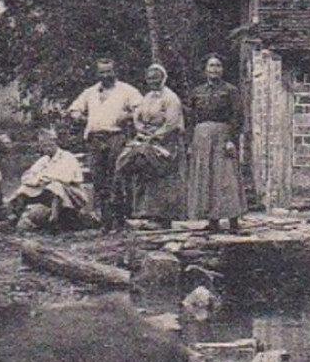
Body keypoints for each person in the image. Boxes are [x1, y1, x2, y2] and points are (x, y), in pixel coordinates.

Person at [65, 56, 140, 231]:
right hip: (95, 139)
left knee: (117, 179)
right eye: (102, 72)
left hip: (116, 137)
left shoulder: (126, 90)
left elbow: (141, 109)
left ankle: (120, 221)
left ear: (115, 71)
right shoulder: (90, 92)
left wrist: (127, 116)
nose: (106, 75)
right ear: (97, 73)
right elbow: (74, 109)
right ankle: (105, 222)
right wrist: (82, 117)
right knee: (99, 180)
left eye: (109, 71)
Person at [115, 62, 184, 227]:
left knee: (162, 177)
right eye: (150, 78)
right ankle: (144, 213)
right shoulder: (147, 97)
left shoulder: (170, 98)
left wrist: (155, 135)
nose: (153, 81)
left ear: (163, 78)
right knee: (134, 165)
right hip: (146, 138)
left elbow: (172, 124)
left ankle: (164, 216)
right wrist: (142, 131)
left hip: (166, 141)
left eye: (156, 78)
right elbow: (137, 118)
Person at [185, 54, 246, 233]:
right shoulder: (197, 91)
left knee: (226, 178)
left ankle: (233, 220)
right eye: (211, 66)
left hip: (222, 136)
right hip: (202, 138)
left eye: (218, 66)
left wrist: (231, 140)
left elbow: (237, 116)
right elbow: (191, 117)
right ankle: (213, 221)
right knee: (207, 178)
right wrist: (190, 142)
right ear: (205, 70)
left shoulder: (230, 90)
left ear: (222, 69)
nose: (214, 69)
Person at [6, 128, 92, 232]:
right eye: (44, 146)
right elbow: (28, 175)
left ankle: (54, 218)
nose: (47, 148)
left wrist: (44, 178)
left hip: (72, 193)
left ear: (55, 143)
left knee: (55, 186)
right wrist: (36, 180)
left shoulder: (67, 157)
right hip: (46, 188)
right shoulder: (44, 160)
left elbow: (65, 178)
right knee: (24, 189)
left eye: (50, 145)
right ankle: (13, 217)